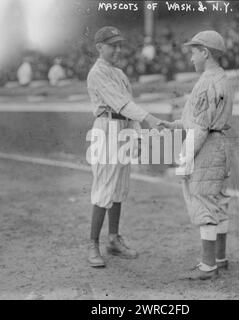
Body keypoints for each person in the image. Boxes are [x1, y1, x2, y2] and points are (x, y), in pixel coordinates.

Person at [158, 30, 233, 280]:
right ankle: (220, 259)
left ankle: (208, 265)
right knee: (219, 200)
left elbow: (200, 127)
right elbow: (200, 120)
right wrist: (175, 124)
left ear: (205, 53)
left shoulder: (206, 82)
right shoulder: (222, 78)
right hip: (219, 143)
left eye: (194, 51)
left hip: (206, 146)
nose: (191, 57)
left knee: (203, 201)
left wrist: (184, 158)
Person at [86, 26, 162, 268]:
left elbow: (130, 104)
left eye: (119, 45)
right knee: (104, 187)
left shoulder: (119, 73)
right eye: (112, 45)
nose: (118, 49)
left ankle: (113, 239)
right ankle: (93, 244)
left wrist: (137, 136)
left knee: (119, 187)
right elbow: (120, 104)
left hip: (123, 129)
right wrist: (149, 119)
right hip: (106, 128)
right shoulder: (96, 73)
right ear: (100, 47)